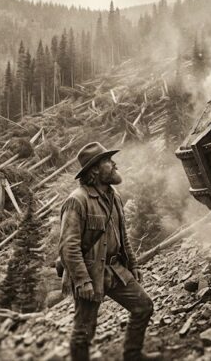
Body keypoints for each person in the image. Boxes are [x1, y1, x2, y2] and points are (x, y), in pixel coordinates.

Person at [58, 142, 161, 361]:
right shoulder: (77, 201)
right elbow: (69, 247)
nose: (114, 164)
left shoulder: (114, 196)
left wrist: (133, 265)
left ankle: (132, 355)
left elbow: (123, 237)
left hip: (115, 269)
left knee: (143, 306)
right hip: (89, 273)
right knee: (83, 332)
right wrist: (82, 281)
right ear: (95, 170)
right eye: (108, 161)